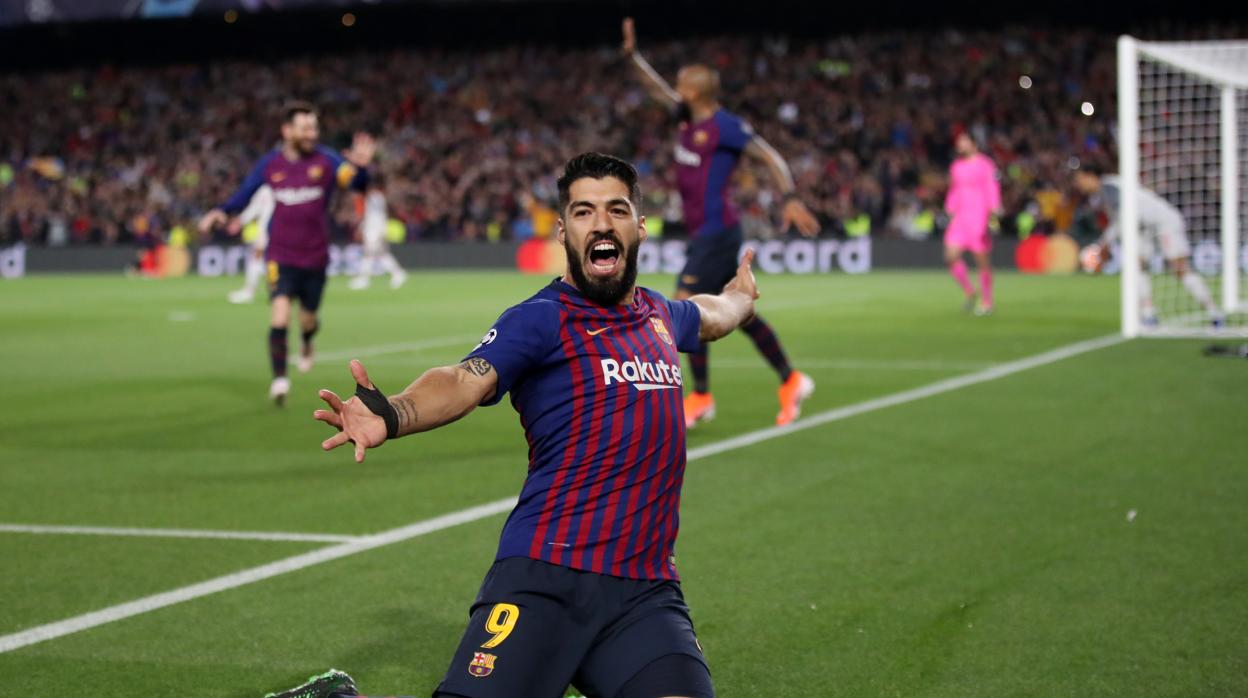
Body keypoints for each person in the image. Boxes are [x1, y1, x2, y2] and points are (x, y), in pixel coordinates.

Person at [267, 153, 755, 698]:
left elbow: (712, 313)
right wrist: (396, 413)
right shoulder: (542, 318)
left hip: (645, 595)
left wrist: (741, 298)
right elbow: (463, 379)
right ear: (564, 228)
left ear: (639, 226)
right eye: (583, 211)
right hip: (546, 578)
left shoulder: (661, 316)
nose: (600, 223)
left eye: (616, 210)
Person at [621, 17, 818, 428]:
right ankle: (791, 379)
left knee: (683, 309)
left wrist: (791, 197)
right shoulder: (684, 117)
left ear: (694, 90)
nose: (675, 89)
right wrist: (632, 56)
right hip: (705, 233)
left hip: (717, 231)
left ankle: (701, 395)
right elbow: (654, 87)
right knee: (736, 312)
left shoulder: (725, 126)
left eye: (681, 84)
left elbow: (770, 157)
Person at [198, 101, 375, 405]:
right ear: (287, 130)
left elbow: (355, 182)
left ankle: (307, 342)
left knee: (307, 320)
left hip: (316, 256)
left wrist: (362, 167)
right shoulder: (271, 164)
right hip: (280, 255)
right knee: (279, 316)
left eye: (314, 127)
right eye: (305, 127)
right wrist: (221, 211)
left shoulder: (327, 160)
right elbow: (246, 192)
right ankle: (280, 380)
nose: (311, 133)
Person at [1073, 163, 1224, 327]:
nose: (1078, 184)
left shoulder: (1109, 187)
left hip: (1162, 221)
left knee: (1179, 268)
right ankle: (1148, 313)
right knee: (1136, 265)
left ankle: (1214, 311)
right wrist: (1105, 242)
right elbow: (1123, 219)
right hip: (1143, 227)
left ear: (1090, 176)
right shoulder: (1107, 190)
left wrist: (1104, 243)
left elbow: (1123, 217)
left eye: (1080, 179)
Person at [943, 131, 1001, 316]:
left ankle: (987, 301)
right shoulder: (956, 166)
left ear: (974, 144)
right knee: (950, 256)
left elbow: (991, 187)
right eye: (959, 142)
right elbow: (954, 188)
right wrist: (950, 206)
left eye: (964, 141)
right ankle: (969, 290)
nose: (960, 144)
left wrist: (993, 209)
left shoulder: (985, 164)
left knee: (981, 261)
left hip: (979, 215)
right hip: (960, 217)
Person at [348, 173, 407, 291]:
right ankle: (398, 273)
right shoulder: (378, 196)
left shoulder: (371, 197)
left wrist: (364, 227)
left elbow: (369, 215)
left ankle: (364, 279)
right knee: (381, 253)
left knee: (369, 253)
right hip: (378, 227)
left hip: (374, 228)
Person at [226, 184, 275, 304]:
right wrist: (240, 221)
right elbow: (255, 208)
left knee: (264, 260)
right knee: (270, 260)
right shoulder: (267, 189)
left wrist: (240, 221)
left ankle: (251, 292)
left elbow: (254, 208)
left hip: (272, 230)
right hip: (272, 230)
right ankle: (275, 291)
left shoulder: (267, 189)